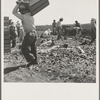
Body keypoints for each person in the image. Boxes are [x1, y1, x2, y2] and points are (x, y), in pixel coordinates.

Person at [12, 1, 38, 68]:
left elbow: (14, 12)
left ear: (23, 11)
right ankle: (35, 61)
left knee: (23, 48)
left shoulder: (24, 16)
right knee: (33, 48)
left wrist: (18, 4)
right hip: (35, 33)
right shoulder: (31, 15)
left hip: (30, 34)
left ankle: (32, 59)